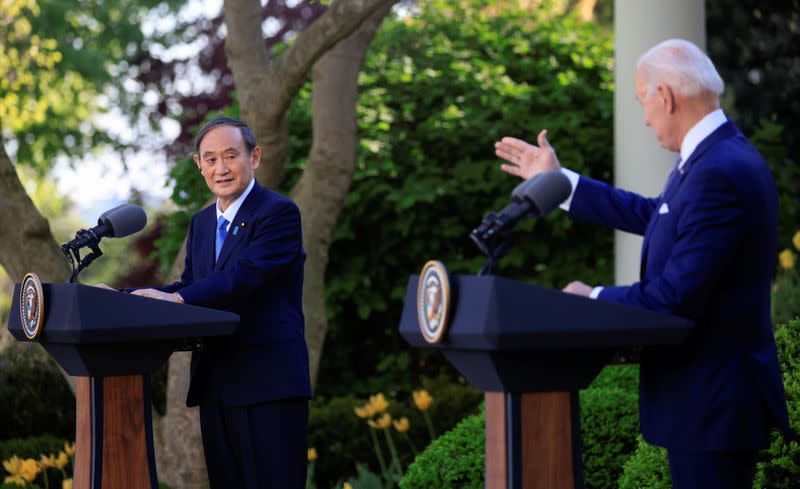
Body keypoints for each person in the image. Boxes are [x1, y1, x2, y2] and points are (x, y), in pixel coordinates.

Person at [494, 39, 791, 488]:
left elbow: (675, 297)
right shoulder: (713, 159)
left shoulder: (719, 170)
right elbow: (655, 215)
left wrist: (590, 299)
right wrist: (560, 183)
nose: (646, 117)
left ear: (665, 96)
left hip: (714, 407)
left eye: (642, 101)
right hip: (709, 405)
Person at [131, 116, 311, 488]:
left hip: (269, 386)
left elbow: (242, 277)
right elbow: (193, 285)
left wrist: (178, 297)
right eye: (210, 159)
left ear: (255, 157)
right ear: (199, 165)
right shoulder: (200, 223)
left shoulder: (277, 213)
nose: (221, 168)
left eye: (231, 156)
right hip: (218, 386)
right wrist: (126, 299)